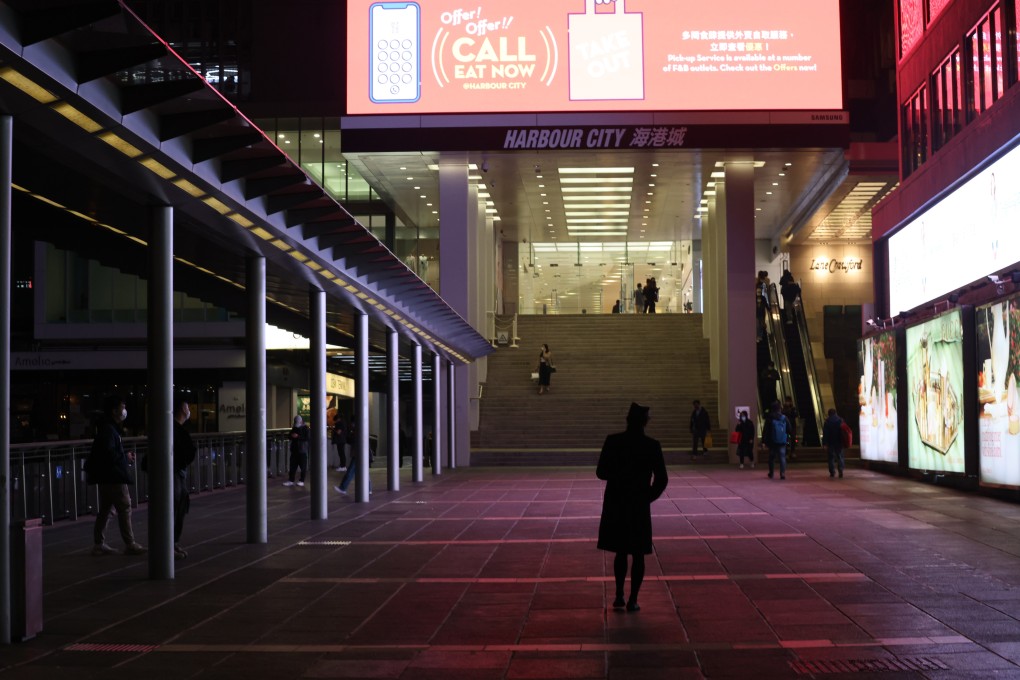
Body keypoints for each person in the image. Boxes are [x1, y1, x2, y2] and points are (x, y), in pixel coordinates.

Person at [596, 402, 668, 613]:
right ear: (645, 422)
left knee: (620, 551)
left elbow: (601, 472)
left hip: (617, 502)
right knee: (638, 553)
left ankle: (619, 594)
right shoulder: (651, 445)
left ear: (628, 420)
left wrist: (619, 477)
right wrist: (647, 497)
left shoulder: (613, 441)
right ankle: (633, 599)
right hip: (638, 504)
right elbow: (662, 479)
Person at [84, 394, 146, 555]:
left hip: (106, 476)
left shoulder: (107, 428)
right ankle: (130, 543)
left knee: (106, 509)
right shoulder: (109, 430)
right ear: (114, 411)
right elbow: (110, 454)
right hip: (114, 476)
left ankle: (99, 543)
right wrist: (125, 457)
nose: (124, 411)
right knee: (124, 508)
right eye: (122, 407)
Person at [172, 396, 197, 559]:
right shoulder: (177, 430)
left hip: (176, 471)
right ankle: (171, 544)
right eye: (187, 407)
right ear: (182, 409)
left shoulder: (172, 428)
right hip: (176, 472)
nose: (189, 411)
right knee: (176, 508)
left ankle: (173, 543)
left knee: (177, 507)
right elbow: (187, 452)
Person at [762, 401, 792, 480]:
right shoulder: (784, 418)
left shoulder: (770, 418)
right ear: (779, 408)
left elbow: (765, 430)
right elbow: (789, 429)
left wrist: (763, 441)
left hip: (772, 441)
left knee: (771, 457)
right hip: (782, 441)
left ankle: (771, 473)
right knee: (782, 457)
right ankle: (782, 474)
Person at [283, 415, 309, 487]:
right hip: (294, 450)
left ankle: (302, 480)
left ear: (301, 422)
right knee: (292, 466)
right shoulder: (294, 427)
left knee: (303, 466)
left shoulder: (306, 428)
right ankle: (291, 480)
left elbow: (307, 438)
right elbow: (289, 436)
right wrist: (292, 436)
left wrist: (298, 437)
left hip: (302, 450)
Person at [822, 408, 846, 478]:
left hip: (830, 442)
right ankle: (840, 470)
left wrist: (824, 443)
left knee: (831, 457)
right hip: (839, 441)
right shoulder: (841, 420)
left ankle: (832, 472)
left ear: (829, 414)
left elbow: (825, 433)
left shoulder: (827, 421)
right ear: (835, 413)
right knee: (840, 456)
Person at [782, 396, 799, 460]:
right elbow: (783, 414)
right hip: (786, 425)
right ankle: (786, 452)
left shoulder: (793, 408)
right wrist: (786, 408)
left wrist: (792, 409)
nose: (788, 402)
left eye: (789, 401)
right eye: (787, 401)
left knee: (793, 438)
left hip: (792, 425)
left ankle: (792, 452)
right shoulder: (784, 408)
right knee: (786, 439)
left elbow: (796, 415)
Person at [756, 270, 771, 341]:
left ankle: (759, 335)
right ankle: (760, 335)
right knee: (761, 321)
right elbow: (766, 294)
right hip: (762, 307)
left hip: (758, 307)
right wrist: (768, 307)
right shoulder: (766, 282)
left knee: (758, 322)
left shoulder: (757, 283)